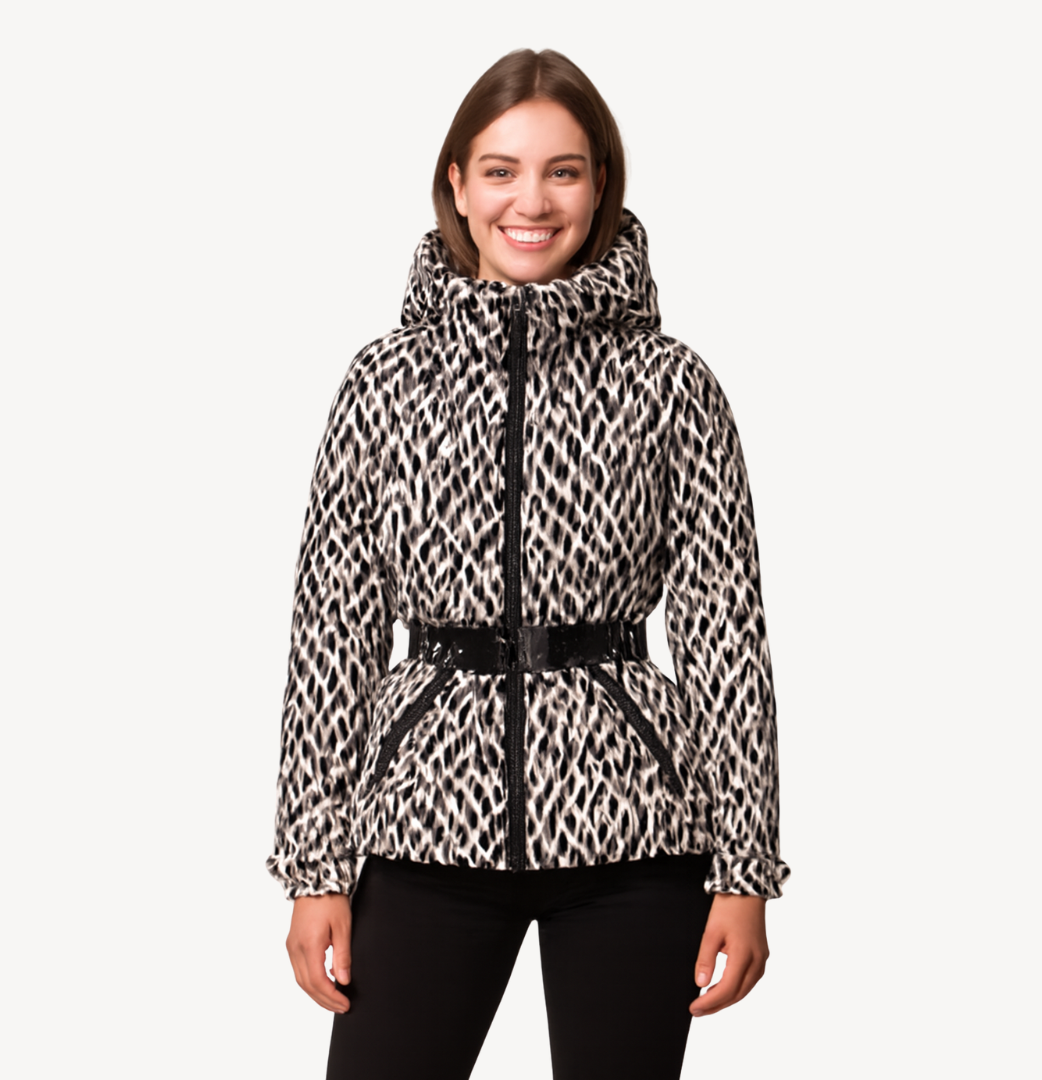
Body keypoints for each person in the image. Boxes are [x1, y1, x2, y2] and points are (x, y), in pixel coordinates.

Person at [267, 47, 791, 1080]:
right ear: (458, 184)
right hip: (425, 817)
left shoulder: (671, 386)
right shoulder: (384, 383)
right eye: (502, 170)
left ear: (600, 188)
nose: (532, 201)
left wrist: (745, 872)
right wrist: (314, 864)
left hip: (635, 831)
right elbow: (332, 629)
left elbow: (727, 634)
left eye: (564, 171)